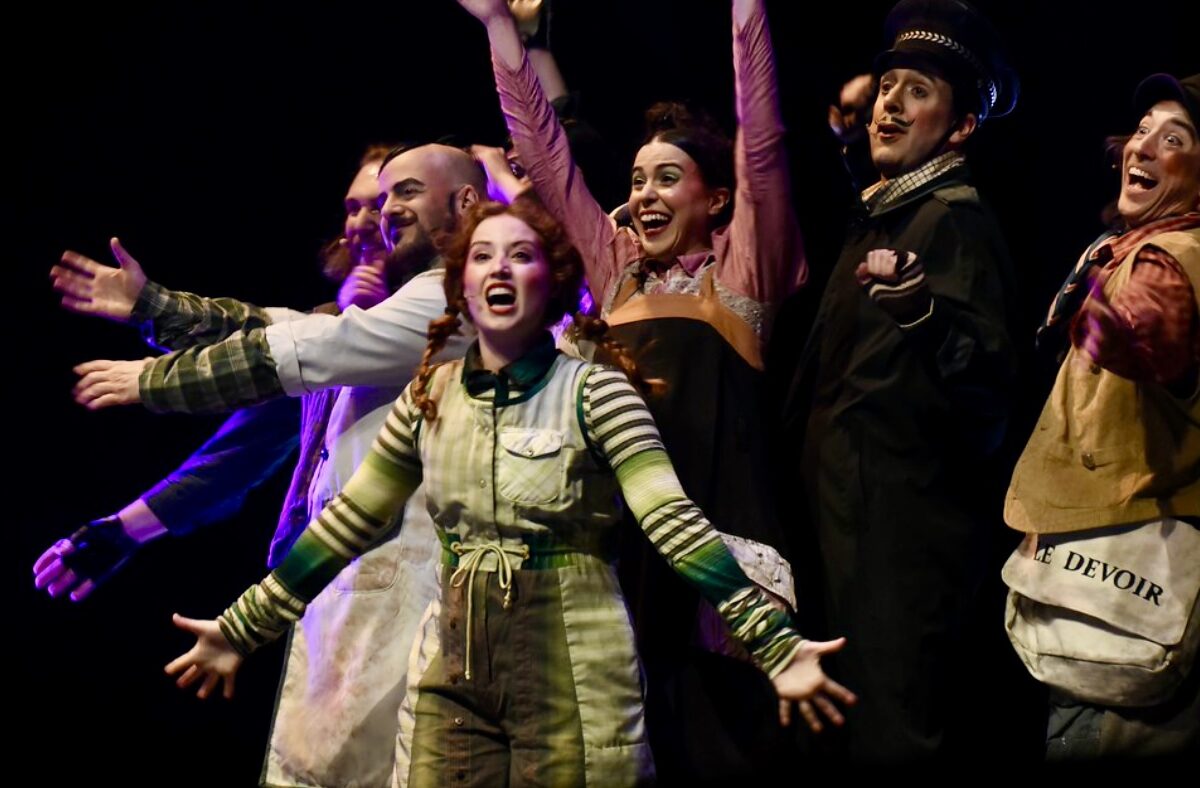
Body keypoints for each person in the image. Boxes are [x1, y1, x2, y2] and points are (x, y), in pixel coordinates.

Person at [165, 197, 855, 787]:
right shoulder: (429, 397)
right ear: (460, 283)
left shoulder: (596, 392)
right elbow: (348, 521)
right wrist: (239, 628)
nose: (499, 268)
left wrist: (772, 641)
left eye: (520, 255)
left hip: (572, 668)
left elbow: (671, 521)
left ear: (551, 282)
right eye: (482, 256)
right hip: (452, 665)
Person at [57, 143, 487, 787]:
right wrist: (156, 308)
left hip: (408, 577)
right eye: (362, 205)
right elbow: (277, 333)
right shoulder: (368, 320)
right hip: (337, 582)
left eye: (398, 196)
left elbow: (299, 359)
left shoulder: (451, 300)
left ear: (467, 204)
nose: (373, 218)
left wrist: (153, 381)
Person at [457, 0, 806, 775]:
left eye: (669, 179)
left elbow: (764, 143)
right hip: (623, 545)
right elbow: (544, 156)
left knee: (725, 743)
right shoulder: (616, 273)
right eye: (639, 178)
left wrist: (747, 10)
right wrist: (497, 28)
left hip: (722, 540)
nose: (645, 194)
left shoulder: (742, 272)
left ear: (715, 201)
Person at [781, 0, 1021, 761]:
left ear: (960, 129)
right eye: (889, 87)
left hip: (900, 557)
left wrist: (924, 317)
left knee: (894, 740)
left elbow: (988, 394)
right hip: (847, 540)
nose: (889, 104)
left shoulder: (953, 220)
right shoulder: (885, 214)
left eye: (917, 92)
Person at [1004, 72, 1200, 759]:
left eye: (1172, 138)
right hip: (1099, 570)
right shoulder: (1123, 250)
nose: (1142, 146)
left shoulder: (1171, 257)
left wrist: (1117, 328)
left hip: (1130, 588)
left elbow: (1159, 328)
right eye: (1142, 129)